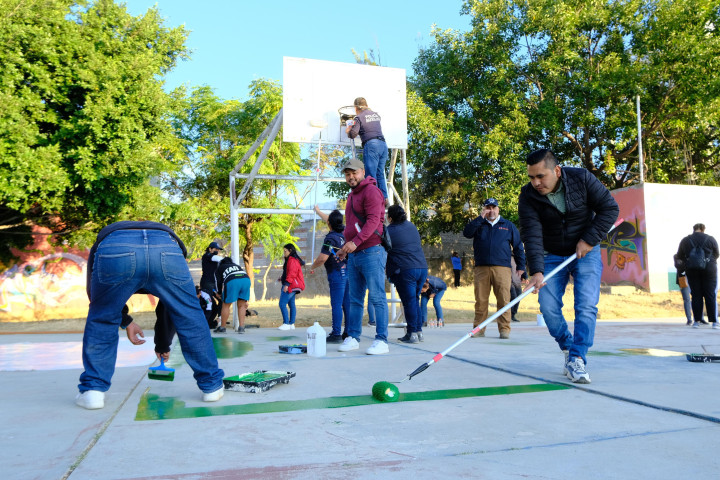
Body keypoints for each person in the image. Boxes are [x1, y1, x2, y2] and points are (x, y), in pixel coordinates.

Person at [76, 221, 225, 410]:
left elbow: (98, 301)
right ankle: (211, 387)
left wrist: (126, 321)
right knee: (190, 316)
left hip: (115, 246)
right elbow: (173, 308)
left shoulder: (104, 242)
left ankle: (93, 392)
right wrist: (153, 337)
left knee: (102, 318)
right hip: (166, 246)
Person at [519, 149, 619, 384]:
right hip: (552, 254)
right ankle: (568, 347)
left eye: (541, 176)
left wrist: (589, 239)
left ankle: (578, 358)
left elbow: (609, 208)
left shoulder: (581, 178)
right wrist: (537, 271)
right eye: (531, 177)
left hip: (586, 251)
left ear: (556, 170)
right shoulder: (528, 196)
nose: (536, 183)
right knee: (548, 307)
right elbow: (532, 234)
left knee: (586, 305)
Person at [336, 158, 390, 355]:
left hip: (372, 251)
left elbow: (375, 221)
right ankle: (353, 337)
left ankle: (382, 340)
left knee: (377, 297)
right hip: (355, 254)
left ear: (362, 172)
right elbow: (350, 226)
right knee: (355, 299)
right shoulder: (351, 196)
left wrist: (356, 242)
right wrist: (345, 247)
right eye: (347, 174)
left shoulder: (371, 191)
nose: (351, 177)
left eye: (354, 173)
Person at [463, 198, 526, 339]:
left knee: (504, 300)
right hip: (481, 268)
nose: (491, 211)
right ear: (484, 209)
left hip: (502, 268)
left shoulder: (508, 226)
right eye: (488, 208)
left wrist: (521, 267)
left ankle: (504, 329)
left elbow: (518, 247)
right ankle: (478, 330)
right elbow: (467, 233)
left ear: (498, 209)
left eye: (493, 208)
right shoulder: (479, 224)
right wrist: (480, 218)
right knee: (480, 300)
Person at [385, 204, 428, 344]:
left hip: (405, 269)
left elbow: (384, 247)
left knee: (408, 302)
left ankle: (411, 334)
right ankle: (418, 331)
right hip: (421, 267)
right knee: (415, 300)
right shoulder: (411, 226)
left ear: (390, 218)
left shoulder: (389, 230)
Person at [310, 206, 349, 343]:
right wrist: (319, 211)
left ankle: (336, 334)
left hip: (337, 273)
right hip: (347, 272)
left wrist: (312, 267)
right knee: (346, 304)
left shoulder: (330, 239)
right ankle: (348, 332)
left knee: (337, 304)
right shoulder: (345, 234)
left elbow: (322, 259)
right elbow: (331, 220)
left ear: (329, 224)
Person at [346, 97, 389, 202]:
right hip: (383, 145)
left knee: (370, 175)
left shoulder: (359, 117)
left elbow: (353, 134)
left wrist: (348, 130)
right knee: (380, 173)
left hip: (371, 145)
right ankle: (384, 198)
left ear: (356, 108)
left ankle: (373, 199)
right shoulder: (376, 115)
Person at [676, 224, 719, 329]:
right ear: (703, 230)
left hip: (692, 269)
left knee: (696, 295)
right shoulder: (710, 239)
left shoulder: (685, 240)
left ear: (694, 230)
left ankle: (696, 321)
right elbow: (717, 254)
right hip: (709, 269)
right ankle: (714, 322)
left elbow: (679, 256)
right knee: (710, 295)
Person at [214, 257, 251, 333]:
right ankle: (241, 327)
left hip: (232, 280)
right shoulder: (237, 266)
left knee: (226, 305)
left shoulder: (220, 268)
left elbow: (218, 282)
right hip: (246, 280)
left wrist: (219, 293)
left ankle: (223, 327)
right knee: (242, 305)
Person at [278, 243, 305, 330]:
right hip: (293, 284)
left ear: (290, 251)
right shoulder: (291, 259)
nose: (284, 253)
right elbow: (288, 272)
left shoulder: (292, 260)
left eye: (285, 251)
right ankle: (291, 324)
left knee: (282, 304)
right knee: (291, 304)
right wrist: (282, 278)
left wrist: (286, 284)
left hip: (291, 285)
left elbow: (292, 273)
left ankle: (286, 323)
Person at [200, 241, 223, 327]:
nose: (217, 250)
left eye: (218, 249)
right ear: (210, 249)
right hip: (207, 284)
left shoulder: (214, 258)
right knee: (210, 304)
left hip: (213, 285)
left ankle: (212, 322)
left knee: (220, 301)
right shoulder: (207, 256)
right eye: (215, 249)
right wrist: (228, 260)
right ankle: (204, 324)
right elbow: (218, 259)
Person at [509, 257, 526, 322]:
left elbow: (522, 267)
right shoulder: (506, 256)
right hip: (509, 281)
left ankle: (513, 315)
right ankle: (509, 315)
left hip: (517, 280)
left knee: (518, 298)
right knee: (513, 297)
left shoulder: (518, 257)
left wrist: (525, 277)